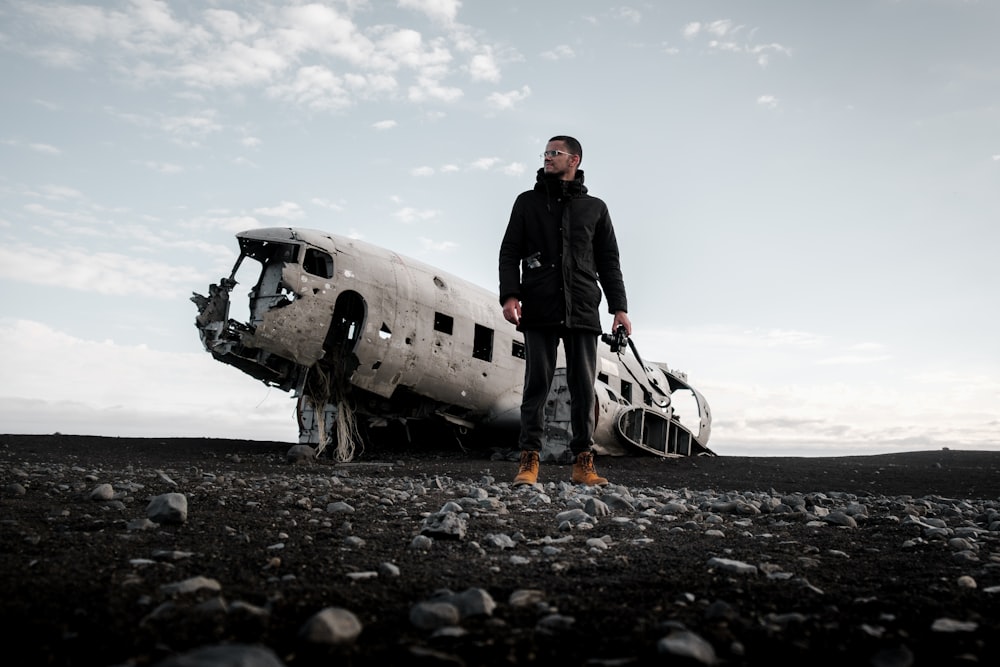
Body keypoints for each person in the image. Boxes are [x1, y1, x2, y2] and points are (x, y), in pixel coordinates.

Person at [498, 135, 631, 487]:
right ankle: (529, 461)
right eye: (545, 153)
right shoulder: (526, 203)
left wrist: (619, 308)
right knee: (536, 386)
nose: (547, 158)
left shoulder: (596, 208)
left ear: (574, 160)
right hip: (539, 304)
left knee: (584, 389)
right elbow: (510, 251)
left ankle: (583, 463)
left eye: (554, 153)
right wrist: (510, 296)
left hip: (584, 306)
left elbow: (609, 261)